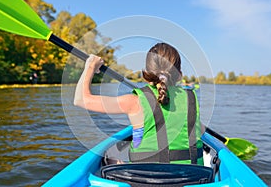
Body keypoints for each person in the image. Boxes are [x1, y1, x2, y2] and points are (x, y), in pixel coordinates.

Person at [74, 43, 205, 165]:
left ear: (146, 74)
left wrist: (90, 66)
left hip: (144, 180)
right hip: (192, 178)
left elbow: (80, 99)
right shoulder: (191, 98)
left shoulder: (134, 101)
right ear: (179, 75)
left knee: (110, 156)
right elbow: (199, 130)